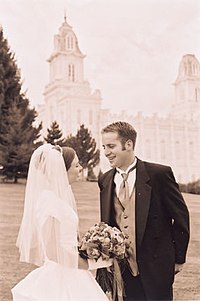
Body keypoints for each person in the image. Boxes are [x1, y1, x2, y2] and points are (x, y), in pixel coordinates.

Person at [97, 121, 190, 301]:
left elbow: (180, 217)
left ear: (129, 144)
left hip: (156, 266)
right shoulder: (105, 180)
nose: (106, 152)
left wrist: (179, 258)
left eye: (111, 146)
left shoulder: (159, 174)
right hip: (121, 270)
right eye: (104, 146)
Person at [12, 143, 109, 301]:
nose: (80, 168)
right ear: (61, 170)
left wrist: (88, 249)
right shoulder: (50, 203)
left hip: (71, 270)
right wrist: (92, 263)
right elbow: (53, 251)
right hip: (62, 275)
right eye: (76, 165)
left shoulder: (57, 198)